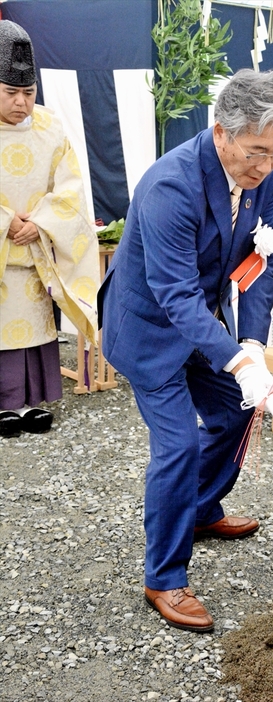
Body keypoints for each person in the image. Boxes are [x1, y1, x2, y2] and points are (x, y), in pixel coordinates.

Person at [99, 69, 273, 632]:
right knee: (179, 443)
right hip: (147, 327)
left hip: (201, 324)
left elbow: (261, 261)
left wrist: (255, 347)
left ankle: (197, 509)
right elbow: (174, 293)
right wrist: (236, 360)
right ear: (221, 132)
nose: (265, 166)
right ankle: (163, 576)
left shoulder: (266, 173)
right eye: (256, 152)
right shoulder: (172, 184)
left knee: (242, 410)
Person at [0, 20, 99, 438]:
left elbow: (71, 189)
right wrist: (5, 222)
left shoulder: (51, 127)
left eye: (28, 92)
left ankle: (31, 402)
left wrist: (39, 224)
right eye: (10, 93)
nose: (21, 103)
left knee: (35, 330)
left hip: (36, 253)